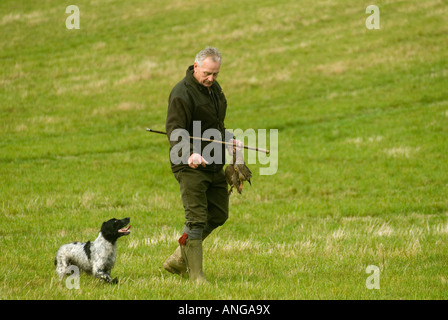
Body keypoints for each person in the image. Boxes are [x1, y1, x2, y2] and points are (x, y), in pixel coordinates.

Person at [163, 47, 241, 284]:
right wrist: (189, 154)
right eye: (207, 73)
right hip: (190, 165)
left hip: (213, 162)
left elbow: (215, 125)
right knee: (196, 218)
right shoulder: (181, 93)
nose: (211, 79)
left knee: (218, 213)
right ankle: (196, 276)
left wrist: (228, 139)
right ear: (195, 66)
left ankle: (178, 259)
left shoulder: (214, 89)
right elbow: (175, 129)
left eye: (215, 74)